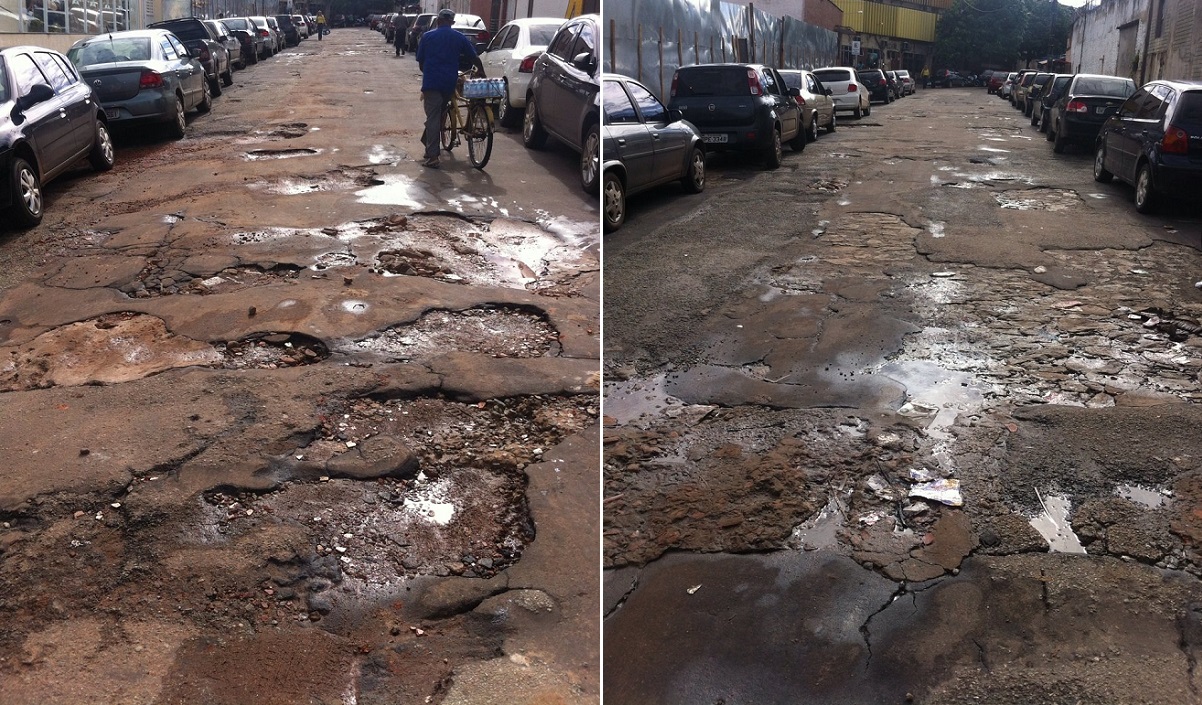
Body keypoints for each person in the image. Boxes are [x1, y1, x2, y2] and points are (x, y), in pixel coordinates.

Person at [416, 8, 485, 168]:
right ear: (452, 23)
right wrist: (481, 71)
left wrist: (430, 71)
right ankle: (429, 147)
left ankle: (433, 157)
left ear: (438, 21)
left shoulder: (427, 37)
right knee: (439, 114)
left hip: (431, 83)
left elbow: (421, 63)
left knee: (433, 117)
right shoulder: (459, 37)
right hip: (449, 83)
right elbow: (474, 57)